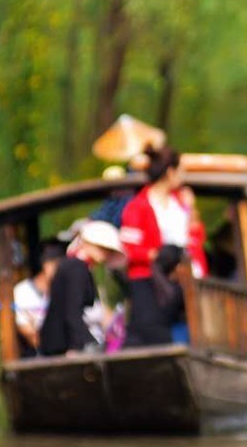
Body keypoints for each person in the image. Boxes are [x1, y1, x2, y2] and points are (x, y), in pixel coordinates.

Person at [119, 145, 191, 346]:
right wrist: (156, 255)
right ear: (170, 172)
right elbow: (129, 249)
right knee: (149, 334)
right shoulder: (137, 206)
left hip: (176, 278)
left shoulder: (180, 203)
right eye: (181, 171)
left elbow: (192, 237)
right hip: (147, 280)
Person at [38, 221, 126, 357]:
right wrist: (89, 343)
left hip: (64, 344)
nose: (105, 254)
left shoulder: (78, 267)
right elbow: (72, 313)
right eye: (101, 247)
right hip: (64, 348)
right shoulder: (76, 268)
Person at [12, 240, 65, 357]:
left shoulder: (65, 288)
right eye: (56, 264)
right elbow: (28, 332)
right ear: (45, 265)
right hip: (37, 353)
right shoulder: (22, 291)